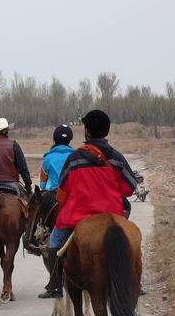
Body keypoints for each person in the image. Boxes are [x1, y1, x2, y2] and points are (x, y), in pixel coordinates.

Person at [46, 110, 137, 297]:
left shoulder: (75, 158)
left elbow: (62, 191)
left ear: (87, 130)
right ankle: (135, 280)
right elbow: (129, 187)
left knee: (55, 239)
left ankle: (55, 283)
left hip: (78, 216)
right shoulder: (116, 157)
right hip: (111, 214)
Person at [36, 124, 75, 299]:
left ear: (54, 139)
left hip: (53, 194)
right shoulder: (75, 155)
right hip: (73, 196)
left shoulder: (48, 158)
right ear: (70, 140)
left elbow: (43, 185)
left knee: (40, 221)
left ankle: (36, 234)